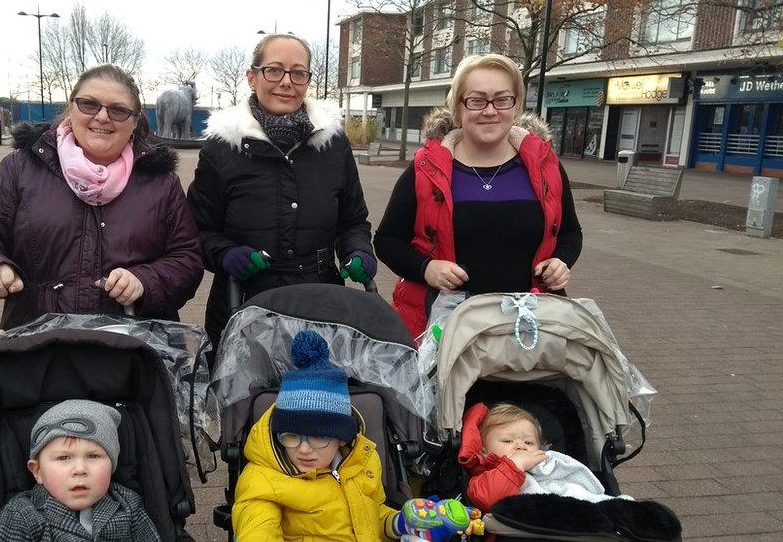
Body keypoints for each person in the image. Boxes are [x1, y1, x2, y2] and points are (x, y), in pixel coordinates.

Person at [0, 65, 203, 329]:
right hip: (37, 347)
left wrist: (145, 280)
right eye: (89, 104)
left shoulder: (160, 181)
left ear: (135, 121)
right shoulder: (22, 168)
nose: (103, 117)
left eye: (118, 110)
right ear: (71, 107)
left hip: (135, 352)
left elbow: (187, 259)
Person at [188, 34, 376, 358]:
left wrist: (358, 252)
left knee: (321, 403)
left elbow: (353, 221)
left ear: (307, 80)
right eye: (274, 70)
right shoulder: (222, 149)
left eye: (298, 73)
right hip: (242, 304)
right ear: (252, 76)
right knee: (245, 405)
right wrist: (226, 254)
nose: (286, 82)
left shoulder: (333, 146)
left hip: (321, 304)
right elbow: (197, 230)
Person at [374, 54, 582, 339]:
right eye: (477, 100)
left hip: (532, 330)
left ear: (516, 106)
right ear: (458, 108)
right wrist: (426, 268)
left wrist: (561, 260)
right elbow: (387, 240)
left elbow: (570, 232)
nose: (490, 110)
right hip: (447, 332)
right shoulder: (426, 169)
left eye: (502, 99)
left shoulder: (546, 167)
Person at [232, 330, 466, 541]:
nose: (303, 449)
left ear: (341, 438)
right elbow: (257, 527)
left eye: (318, 438)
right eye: (291, 436)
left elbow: (371, 515)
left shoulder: (362, 463)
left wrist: (398, 523)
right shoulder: (263, 480)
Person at [0, 399, 160, 541]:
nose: (80, 469)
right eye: (63, 458)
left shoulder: (128, 504)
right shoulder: (22, 515)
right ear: (37, 471)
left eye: (93, 456)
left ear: (112, 465)